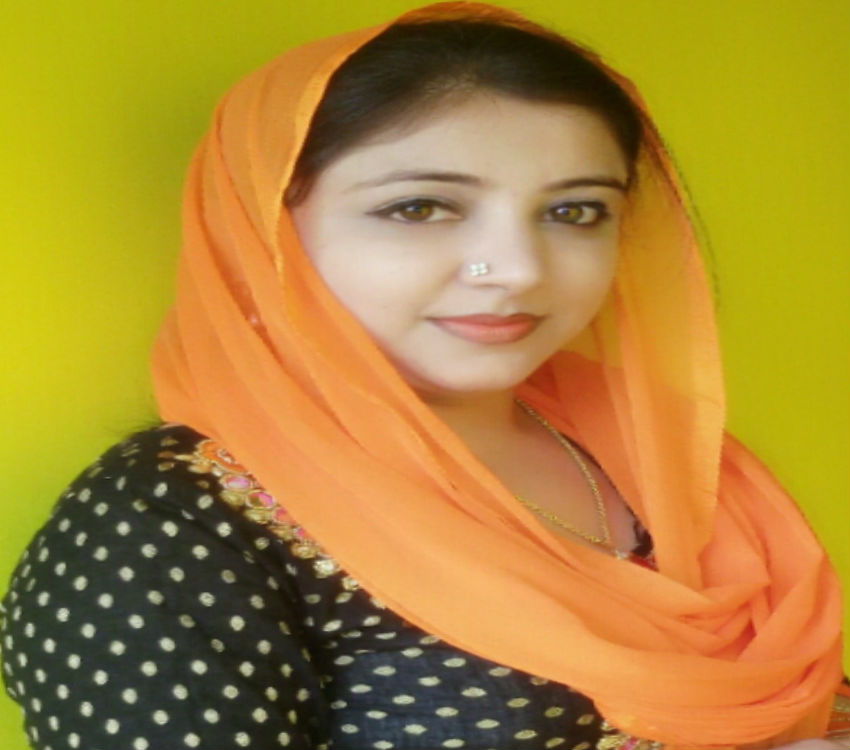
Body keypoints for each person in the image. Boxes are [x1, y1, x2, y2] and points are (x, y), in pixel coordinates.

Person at [1, 3, 846, 749]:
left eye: (574, 211)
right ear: (265, 230)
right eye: (420, 207)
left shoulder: (658, 457)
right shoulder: (168, 527)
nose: (517, 268)